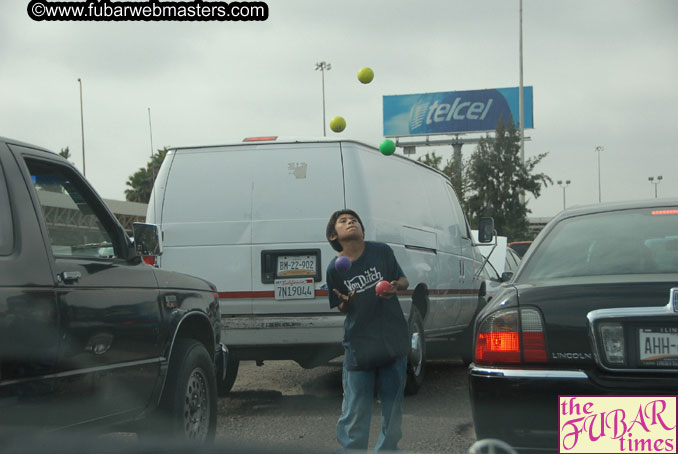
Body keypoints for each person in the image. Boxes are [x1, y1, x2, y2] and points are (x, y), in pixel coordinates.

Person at [325, 209, 410, 453]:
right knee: (355, 411)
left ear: (363, 229)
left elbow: (403, 280)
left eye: (355, 221)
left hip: (393, 341)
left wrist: (395, 286)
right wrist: (347, 302)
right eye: (343, 222)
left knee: (393, 411)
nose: (351, 223)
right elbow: (341, 305)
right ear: (334, 236)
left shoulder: (381, 251)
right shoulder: (335, 269)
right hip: (360, 345)